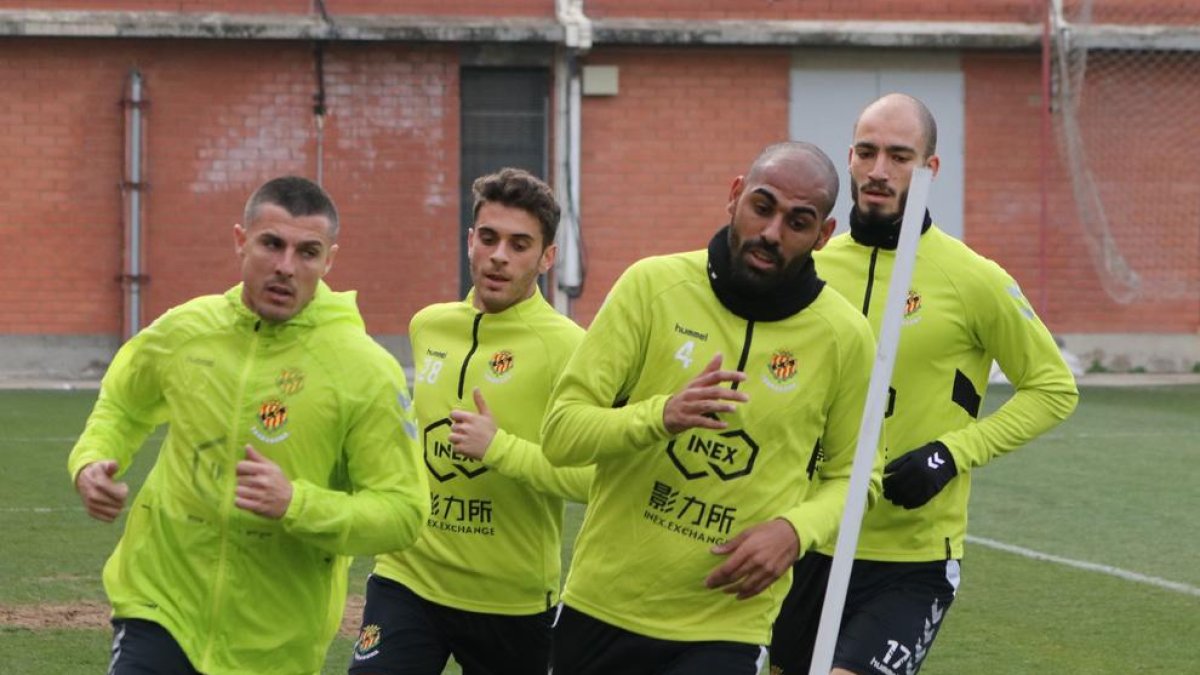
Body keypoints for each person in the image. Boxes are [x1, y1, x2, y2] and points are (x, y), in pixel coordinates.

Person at [540, 142, 881, 675]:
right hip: (602, 607)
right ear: (735, 196)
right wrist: (660, 415)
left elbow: (858, 476)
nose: (772, 232)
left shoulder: (845, 337)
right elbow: (561, 433)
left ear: (823, 235)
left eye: (798, 221)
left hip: (728, 626)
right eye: (762, 207)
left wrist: (796, 531)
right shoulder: (652, 287)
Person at [68, 176, 430, 675]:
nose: (285, 266)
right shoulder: (185, 331)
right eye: (271, 244)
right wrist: (90, 462)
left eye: (307, 252)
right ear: (241, 240)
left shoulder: (364, 371)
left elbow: (403, 513)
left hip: (276, 642)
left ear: (330, 261)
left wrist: (297, 504)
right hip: (159, 606)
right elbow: (123, 406)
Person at [770, 93, 1079, 675]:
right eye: (866, 152)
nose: (879, 171)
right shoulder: (810, 268)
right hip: (807, 544)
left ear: (930, 168)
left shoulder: (973, 279)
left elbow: (1052, 388)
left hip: (907, 560)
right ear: (851, 158)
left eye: (899, 156)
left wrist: (950, 453)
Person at [349, 167, 590, 675]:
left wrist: (501, 449)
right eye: (489, 238)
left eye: (520, 244)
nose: (499, 255)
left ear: (547, 257)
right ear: (470, 241)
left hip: (512, 602)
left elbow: (597, 479)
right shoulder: (428, 325)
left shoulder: (568, 346)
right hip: (407, 578)